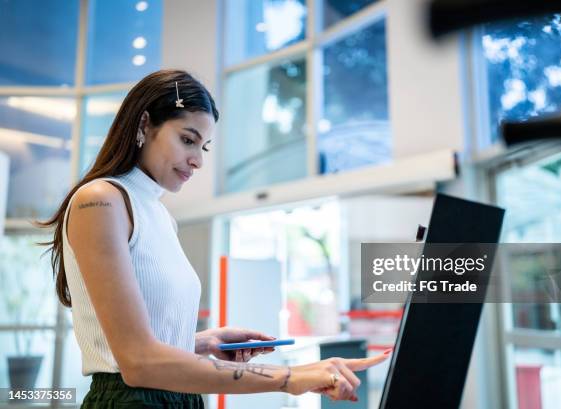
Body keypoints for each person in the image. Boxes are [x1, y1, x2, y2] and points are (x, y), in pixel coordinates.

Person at [35, 69, 390, 408]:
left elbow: (142, 346)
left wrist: (203, 342)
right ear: (144, 124)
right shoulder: (100, 200)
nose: (197, 161)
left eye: (203, 147)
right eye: (187, 140)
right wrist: (289, 376)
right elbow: (137, 362)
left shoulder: (159, 214)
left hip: (180, 396)